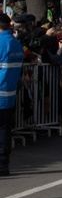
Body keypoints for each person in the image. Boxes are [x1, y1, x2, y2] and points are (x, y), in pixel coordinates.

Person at [0, 13, 25, 176]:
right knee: (4, 131)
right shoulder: (16, 43)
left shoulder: (2, 42)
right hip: (9, 95)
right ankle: (3, 164)